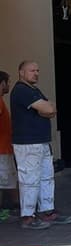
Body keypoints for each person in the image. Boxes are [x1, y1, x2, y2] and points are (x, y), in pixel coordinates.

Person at [11, 61, 71, 229]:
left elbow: (51, 109)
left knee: (46, 177)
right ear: (21, 72)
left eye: (38, 70)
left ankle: (47, 211)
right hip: (27, 143)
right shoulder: (21, 90)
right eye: (32, 70)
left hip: (41, 141)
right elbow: (47, 109)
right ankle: (27, 217)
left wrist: (46, 108)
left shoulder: (34, 90)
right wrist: (46, 108)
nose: (36, 73)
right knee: (29, 179)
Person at [0, 71, 20, 215]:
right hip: (1, 149)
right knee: (3, 179)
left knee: (8, 178)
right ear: (2, 83)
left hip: (5, 147)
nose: (9, 85)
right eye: (8, 82)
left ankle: (14, 204)